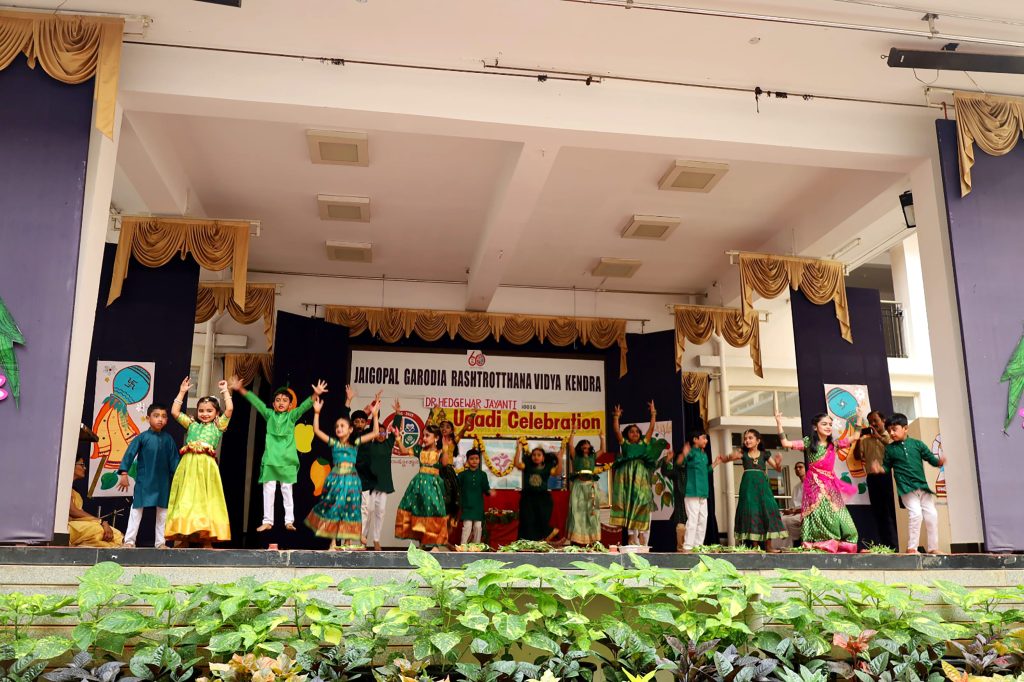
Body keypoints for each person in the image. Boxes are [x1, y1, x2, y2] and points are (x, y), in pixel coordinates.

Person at [228, 376, 327, 533]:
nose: (281, 403)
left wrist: (315, 394)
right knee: (268, 490)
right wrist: (240, 389)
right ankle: (267, 521)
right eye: (278, 400)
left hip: (287, 461)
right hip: (271, 460)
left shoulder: (291, 417)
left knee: (287, 490)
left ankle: (289, 521)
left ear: (290, 405)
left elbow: (304, 407)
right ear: (273, 404)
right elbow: (257, 402)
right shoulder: (269, 415)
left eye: (285, 400)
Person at [775, 410, 864, 554]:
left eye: (830, 424)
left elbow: (855, 437)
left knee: (842, 518)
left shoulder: (834, 444)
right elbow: (785, 443)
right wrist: (779, 423)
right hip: (814, 485)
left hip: (830, 485)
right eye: (824, 424)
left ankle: (840, 544)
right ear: (815, 427)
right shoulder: (808, 443)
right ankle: (821, 543)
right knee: (818, 514)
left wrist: (859, 418)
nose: (828, 427)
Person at [166, 377, 234, 547]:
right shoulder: (191, 425)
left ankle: (207, 541)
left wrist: (225, 391)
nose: (205, 414)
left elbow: (230, 409)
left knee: (206, 501)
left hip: (207, 468)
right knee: (186, 500)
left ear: (216, 413)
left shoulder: (218, 426)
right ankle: (184, 540)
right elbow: (174, 412)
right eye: (201, 410)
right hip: (188, 466)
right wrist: (182, 392)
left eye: (209, 411)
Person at [305, 396, 377, 549]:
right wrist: (316, 413)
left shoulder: (355, 443)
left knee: (350, 508)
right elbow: (316, 430)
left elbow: (375, 433)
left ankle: (348, 541)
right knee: (335, 508)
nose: (339, 428)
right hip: (336, 478)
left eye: (342, 426)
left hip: (351, 480)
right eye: (337, 426)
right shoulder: (334, 443)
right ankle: (333, 542)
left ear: (350, 430)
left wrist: (375, 416)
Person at [874, 413, 946, 554]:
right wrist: (879, 469)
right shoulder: (890, 449)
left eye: (894, 429)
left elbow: (930, 458)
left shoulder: (917, 444)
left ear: (905, 428)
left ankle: (933, 548)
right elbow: (886, 467)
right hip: (905, 487)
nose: (891, 433)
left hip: (922, 486)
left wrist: (939, 462)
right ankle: (912, 548)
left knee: (932, 514)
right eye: (889, 430)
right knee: (916, 514)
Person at [116, 403, 179, 548]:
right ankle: (129, 541)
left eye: (163, 416)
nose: (160, 419)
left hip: (163, 482)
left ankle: (161, 542)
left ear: (167, 420)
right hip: (144, 480)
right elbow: (129, 454)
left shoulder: (169, 439)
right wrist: (124, 473)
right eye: (156, 416)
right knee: (136, 510)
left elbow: (174, 460)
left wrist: (178, 477)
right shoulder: (142, 437)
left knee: (163, 512)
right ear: (148, 418)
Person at [716, 429, 787, 552]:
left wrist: (779, 463)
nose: (747, 440)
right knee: (752, 512)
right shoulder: (743, 453)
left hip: (763, 487)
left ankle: (769, 546)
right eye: (745, 438)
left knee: (768, 510)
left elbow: (777, 469)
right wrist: (729, 456)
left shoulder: (765, 454)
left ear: (757, 441)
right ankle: (755, 547)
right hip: (748, 487)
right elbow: (726, 459)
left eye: (750, 438)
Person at [610, 401, 660, 546]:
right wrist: (616, 417)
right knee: (630, 504)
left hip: (641, 477)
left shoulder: (643, 443)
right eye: (632, 431)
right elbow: (616, 431)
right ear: (627, 434)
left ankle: (642, 534)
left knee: (643, 502)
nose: (635, 433)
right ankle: (631, 536)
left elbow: (651, 428)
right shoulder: (625, 444)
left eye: (637, 432)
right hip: (628, 478)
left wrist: (653, 413)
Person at [394, 422, 449, 548]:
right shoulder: (419, 450)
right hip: (418, 485)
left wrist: (446, 449)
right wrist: (398, 438)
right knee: (418, 510)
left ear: (436, 438)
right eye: (423, 435)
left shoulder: (439, 452)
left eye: (427, 435)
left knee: (433, 510)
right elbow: (403, 450)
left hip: (433, 485)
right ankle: (422, 543)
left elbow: (445, 463)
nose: (424, 438)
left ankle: (434, 545)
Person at [854, 410, 900, 550]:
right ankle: (885, 545)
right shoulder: (865, 440)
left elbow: (894, 450)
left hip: (888, 477)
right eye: (870, 422)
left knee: (890, 512)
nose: (873, 424)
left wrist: (879, 437)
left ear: (883, 420)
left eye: (875, 421)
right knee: (878, 512)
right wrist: (858, 439)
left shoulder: (891, 436)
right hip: (872, 479)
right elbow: (857, 456)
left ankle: (895, 545)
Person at [358, 397, 397, 551]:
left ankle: (376, 540)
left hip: (383, 484)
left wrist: (398, 413)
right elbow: (371, 426)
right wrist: (375, 409)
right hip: (369, 484)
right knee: (367, 511)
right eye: (378, 432)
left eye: (383, 432)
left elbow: (395, 429)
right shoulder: (369, 444)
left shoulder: (388, 444)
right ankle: (363, 539)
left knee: (380, 512)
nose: (380, 434)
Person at [514, 438, 565, 542]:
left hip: (543, 499)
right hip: (528, 498)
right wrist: (518, 449)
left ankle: (542, 540)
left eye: (539, 455)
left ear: (543, 458)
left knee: (541, 520)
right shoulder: (527, 465)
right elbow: (517, 464)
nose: (536, 457)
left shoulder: (548, 468)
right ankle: (526, 543)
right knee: (527, 521)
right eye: (534, 455)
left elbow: (558, 472)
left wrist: (560, 459)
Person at [69, 457, 124, 547]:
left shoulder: (75, 492)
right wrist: (101, 522)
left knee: (117, 536)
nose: (85, 468)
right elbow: (73, 511)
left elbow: (81, 514)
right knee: (102, 532)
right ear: (71, 465)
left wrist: (103, 523)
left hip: (78, 526)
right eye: (82, 465)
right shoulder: (62, 486)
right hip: (67, 528)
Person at [681, 429, 720, 551]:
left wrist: (715, 463)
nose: (706, 440)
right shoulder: (691, 452)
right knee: (693, 519)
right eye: (704, 438)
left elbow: (706, 470)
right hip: (692, 491)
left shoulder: (704, 454)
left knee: (703, 519)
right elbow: (681, 463)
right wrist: (684, 454)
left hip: (703, 492)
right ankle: (688, 546)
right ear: (695, 440)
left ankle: (697, 546)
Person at [566, 433, 605, 546]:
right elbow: (570, 445)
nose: (586, 448)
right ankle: (575, 540)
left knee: (591, 512)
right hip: (578, 486)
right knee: (576, 511)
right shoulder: (576, 456)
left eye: (588, 446)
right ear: (580, 447)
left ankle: (592, 540)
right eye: (583, 446)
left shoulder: (593, 456)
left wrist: (602, 438)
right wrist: (573, 433)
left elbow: (603, 450)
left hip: (590, 486)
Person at [457, 448, 494, 545]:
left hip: (478, 506)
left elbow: (486, 488)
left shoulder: (482, 475)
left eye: (476, 458)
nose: (474, 461)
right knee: (467, 526)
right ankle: (463, 547)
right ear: (467, 460)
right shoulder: (462, 475)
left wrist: (489, 491)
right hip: (467, 505)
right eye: (472, 459)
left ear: (479, 460)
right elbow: (457, 489)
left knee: (478, 527)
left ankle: (476, 548)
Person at [659, 442, 690, 551]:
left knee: (692, 535)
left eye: (684, 456)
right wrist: (667, 460)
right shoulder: (676, 472)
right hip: (681, 511)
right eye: (680, 457)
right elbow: (664, 472)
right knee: (681, 530)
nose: (682, 458)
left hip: (692, 510)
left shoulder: (691, 471)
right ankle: (680, 552)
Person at [779, 461, 806, 549]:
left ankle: (796, 542)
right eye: (796, 468)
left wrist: (794, 511)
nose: (798, 469)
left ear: (806, 469)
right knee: (779, 518)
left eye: (800, 467)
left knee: (788, 521)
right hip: (796, 512)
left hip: (805, 512)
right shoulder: (796, 487)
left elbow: (810, 505)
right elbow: (794, 505)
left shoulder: (810, 484)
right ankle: (784, 546)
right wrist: (789, 510)